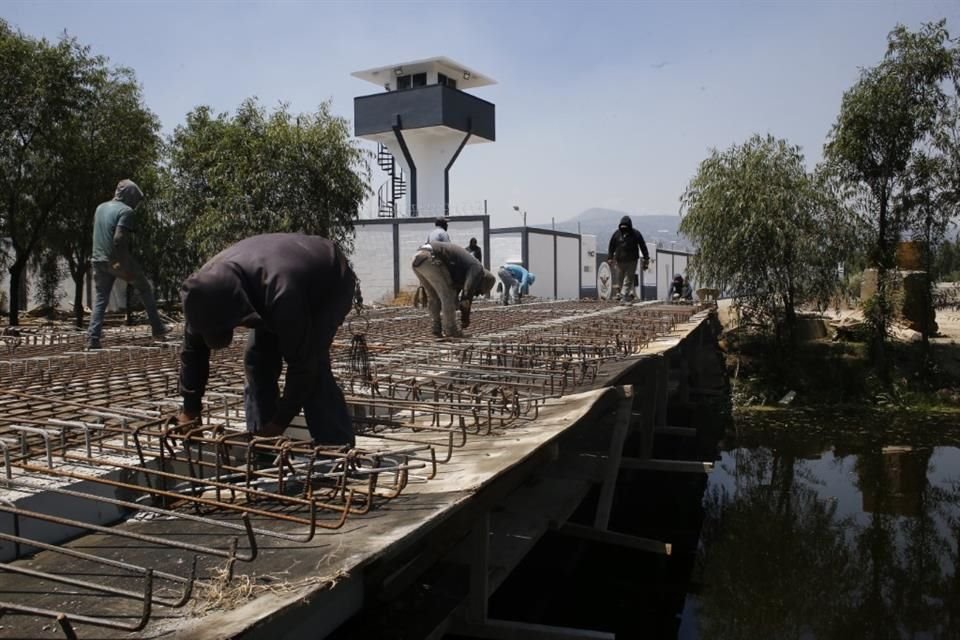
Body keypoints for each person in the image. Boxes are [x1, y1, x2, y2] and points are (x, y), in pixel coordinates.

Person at [176, 233, 357, 447]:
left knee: (314, 365)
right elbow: (192, 354)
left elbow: (302, 367)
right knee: (257, 360)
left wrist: (279, 423)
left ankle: (335, 447)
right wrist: (190, 410)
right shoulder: (201, 294)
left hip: (327, 283)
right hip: (272, 277)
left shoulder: (281, 294)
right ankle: (262, 444)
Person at [86, 179, 168, 350]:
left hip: (97, 260)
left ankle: (93, 338)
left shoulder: (100, 208)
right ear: (130, 196)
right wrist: (123, 265)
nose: (136, 204)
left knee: (101, 298)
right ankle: (158, 329)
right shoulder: (126, 211)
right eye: (136, 200)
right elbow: (118, 238)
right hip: (116, 261)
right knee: (144, 288)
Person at [412, 241, 496, 338]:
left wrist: (463, 313)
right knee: (448, 296)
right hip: (431, 258)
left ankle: (436, 327)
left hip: (418, 257)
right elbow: (466, 296)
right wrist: (465, 318)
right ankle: (451, 330)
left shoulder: (465, 268)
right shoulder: (477, 269)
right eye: (479, 291)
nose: (476, 294)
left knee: (434, 296)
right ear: (482, 282)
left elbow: (460, 294)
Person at [607, 215, 650, 303]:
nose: (624, 229)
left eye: (626, 227)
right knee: (620, 279)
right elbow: (611, 246)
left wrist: (646, 258)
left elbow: (643, 246)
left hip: (632, 260)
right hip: (619, 261)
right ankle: (623, 294)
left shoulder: (636, 234)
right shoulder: (616, 234)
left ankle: (624, 296)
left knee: (629, 279)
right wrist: (610, 257)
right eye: (622, 227)